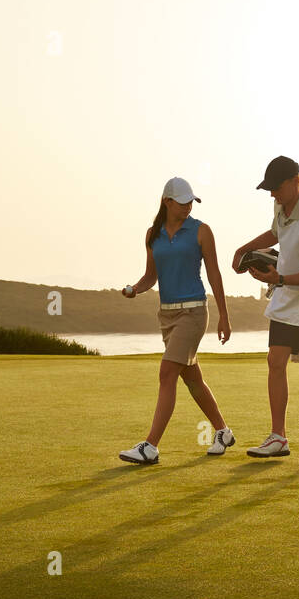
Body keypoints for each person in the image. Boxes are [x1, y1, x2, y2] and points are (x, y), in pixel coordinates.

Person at [232, 156, 299, 460]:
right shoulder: (281, 205)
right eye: (269, 189)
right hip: (287, 293)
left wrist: (279, 278)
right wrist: (245, 248)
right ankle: (278, 437)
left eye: (276, 188)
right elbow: (276, 234)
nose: (272, 194)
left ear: (296, 181)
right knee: (275, 360)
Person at [118, 177, 234, 465]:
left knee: (167, 373)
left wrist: (224, 316)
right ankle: (222, 431)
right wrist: (135, 289)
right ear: (167, 202)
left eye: (190, 202)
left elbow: (215, 275)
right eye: (182, 203)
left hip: (194, 313)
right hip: (167, 315)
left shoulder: (201, 231)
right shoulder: (152, 235)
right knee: (192, 379)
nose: (187, 208)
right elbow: (150, 276)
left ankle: (151, 446)